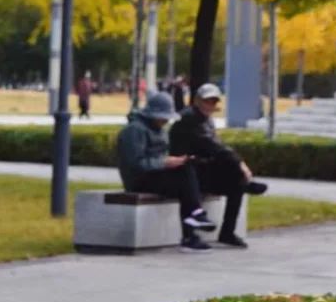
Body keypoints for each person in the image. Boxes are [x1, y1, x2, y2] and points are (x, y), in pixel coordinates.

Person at [169, 83, 268, 248]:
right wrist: (239, 163)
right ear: (197, 100)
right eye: (208, 101)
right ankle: (189, 236)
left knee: (237, 183)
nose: (211, 105)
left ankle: (227, 232)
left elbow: (215, 146)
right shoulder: (189, 119)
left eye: (214, 101)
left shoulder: (206, 119)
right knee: (193, 182)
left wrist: (236, 166)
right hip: (186, 171)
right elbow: (211, 145)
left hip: (201, 169)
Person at [115, 90, 216, 251]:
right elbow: (135, 163)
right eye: (162, 117)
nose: (165, 120)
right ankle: (195, 219)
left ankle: (192, 229)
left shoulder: (160, 130)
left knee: (188, 175)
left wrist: (175, 161)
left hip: (156, 175)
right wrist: (164, 163)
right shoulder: (134, 130)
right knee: (185, 179)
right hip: (139, 179)